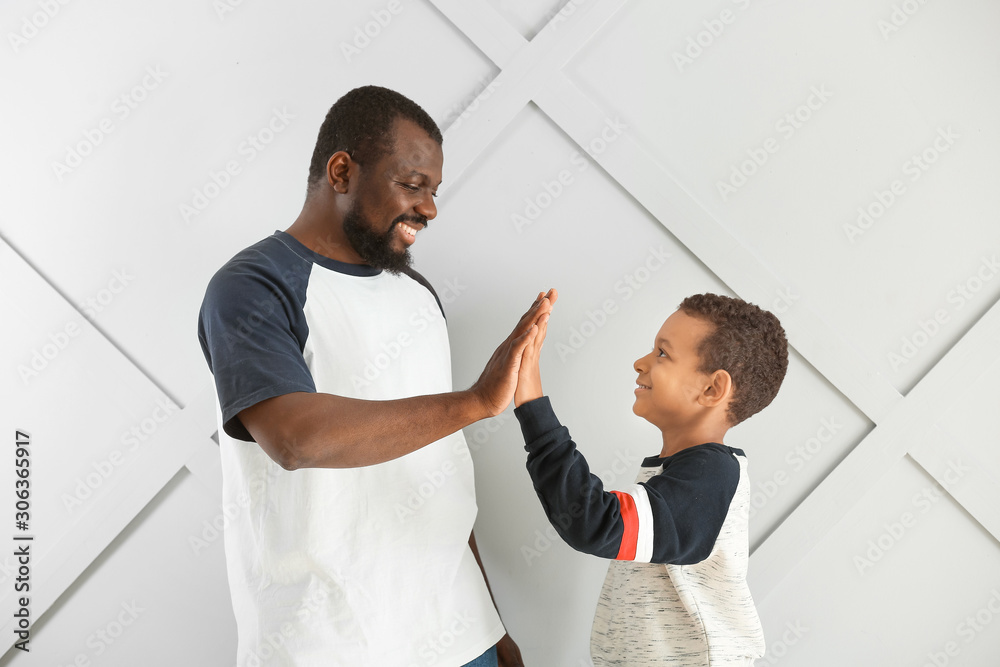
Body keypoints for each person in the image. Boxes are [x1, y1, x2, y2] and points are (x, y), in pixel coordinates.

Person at [197, 85, 542, 667]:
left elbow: (440, 463)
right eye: (412, 185)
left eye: (433, 192)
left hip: (460, 634)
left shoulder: (418, 295)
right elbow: (294, 439)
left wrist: (492, 625)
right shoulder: (254, 285)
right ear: (341, 171)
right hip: (329, 644)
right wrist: (477, 401)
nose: (428, 209)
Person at [512, 292, 789, 665]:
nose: (640, 363)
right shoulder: (684, 472)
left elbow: (594, 523)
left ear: (712, 389)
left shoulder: (712, 474)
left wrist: (532, 404)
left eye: (662, 353)